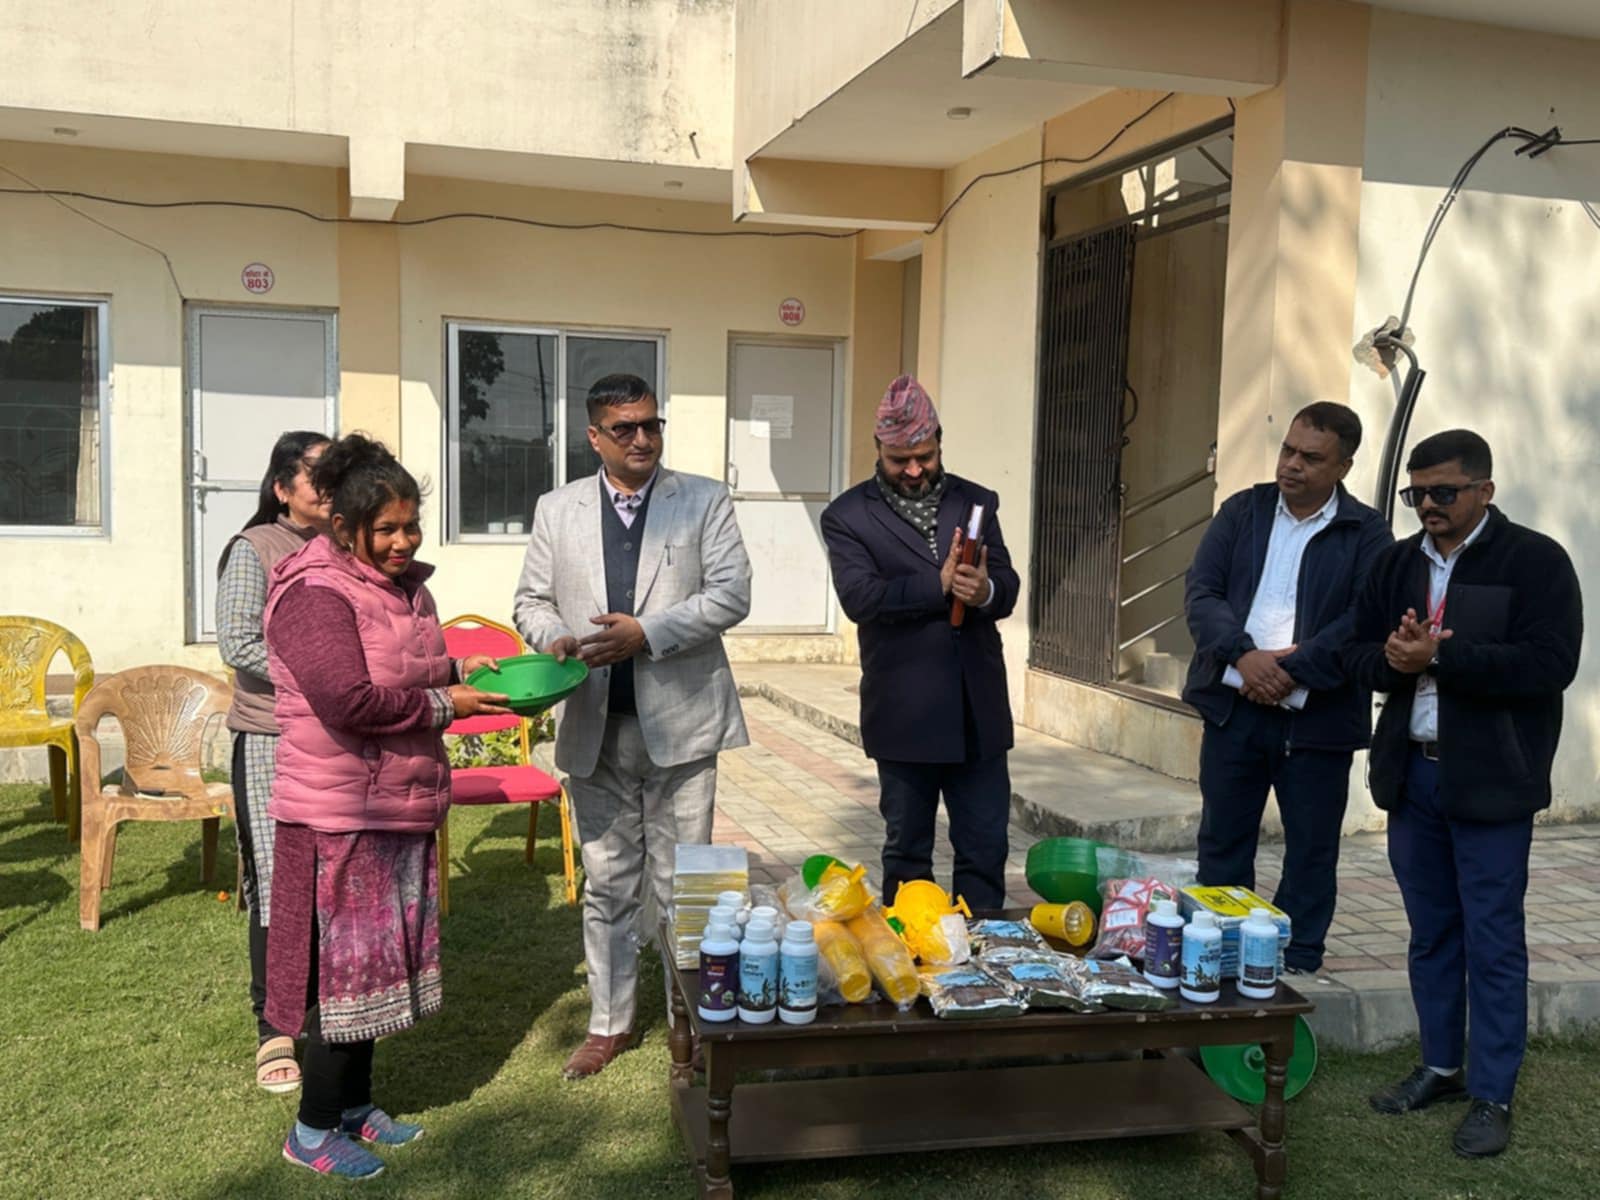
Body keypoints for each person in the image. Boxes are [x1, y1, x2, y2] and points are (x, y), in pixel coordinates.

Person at [264, 433, 510, 1178]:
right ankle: (311, 1132)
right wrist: (448, 703)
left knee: (376, 975)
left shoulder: (403, 588)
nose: (404, 542)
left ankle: (353, 1108)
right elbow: (347, 700)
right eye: (388, 529)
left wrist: (461, 666)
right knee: (346, 980)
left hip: (393, 804)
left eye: (412, 527)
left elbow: (407, 667)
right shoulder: (313, 593)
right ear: (344, 527)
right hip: (341, 814)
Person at [1348, 430, 1581, 1158]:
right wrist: (1393, 661)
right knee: (1431, 934)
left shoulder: (1535, 561)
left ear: (1485, 490)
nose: (1428, 506)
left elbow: (1550, 664)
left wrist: (1443, 657)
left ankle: (1493, 1094)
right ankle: (1442, 1067)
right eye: (1416, 494)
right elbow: (1358, 651)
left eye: (1443, 492)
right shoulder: (1397, 563)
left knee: (1493, 939)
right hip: (1413, 775)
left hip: (1492, 780)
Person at [513, 372, 752, 1081]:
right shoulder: (557, 509)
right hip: (594, 725)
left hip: (683, 726)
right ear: (595, 437)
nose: (643, 439)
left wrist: (646, 633)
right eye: (626, 428)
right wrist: (554, 638)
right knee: (608, 883)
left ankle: (693, 1020)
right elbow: (530, 601)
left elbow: (732, 593)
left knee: (686, 885)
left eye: (652, 425)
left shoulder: (702, 499)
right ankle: (609, 1023)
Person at [1183, 402, 1393, 973]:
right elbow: (1202, 593)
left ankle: (1297, 957)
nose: (1292, 464)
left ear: (1343, 467)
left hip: (1317, 718)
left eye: (1311, 457)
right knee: (1222, 839)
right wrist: (1244, 656)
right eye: (1288, 450)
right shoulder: (1242, 512)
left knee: (1311, 847)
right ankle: (1219, 947)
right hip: (1233, 707)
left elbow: (1364, 617)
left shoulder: (1366, 532)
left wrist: (1291, 671)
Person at [819, 375, 1019, 912]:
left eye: (924, 457)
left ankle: (983, 952)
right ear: (878, 450)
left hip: (978, 713)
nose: (913, 470)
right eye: (899, 460)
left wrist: (985, 590)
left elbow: (1006, 584)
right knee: (908, 856)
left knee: (985, 849)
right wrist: (939, 585)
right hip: (903, 714)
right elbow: (861, 598)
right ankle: (912, 955)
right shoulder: (847, 516)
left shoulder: (977, 502)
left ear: (939, 444)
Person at [216, 430, 332, 1095]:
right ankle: (275, 1027)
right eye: (318, 474)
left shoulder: (347, 547)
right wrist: (321, 677)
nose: (332, 485)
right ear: (283, 488)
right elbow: (238, 641)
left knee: (331, 879)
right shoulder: (255, 547)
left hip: (338, 736)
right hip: (272, 737)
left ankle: (325, 1007)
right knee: (279, 881)